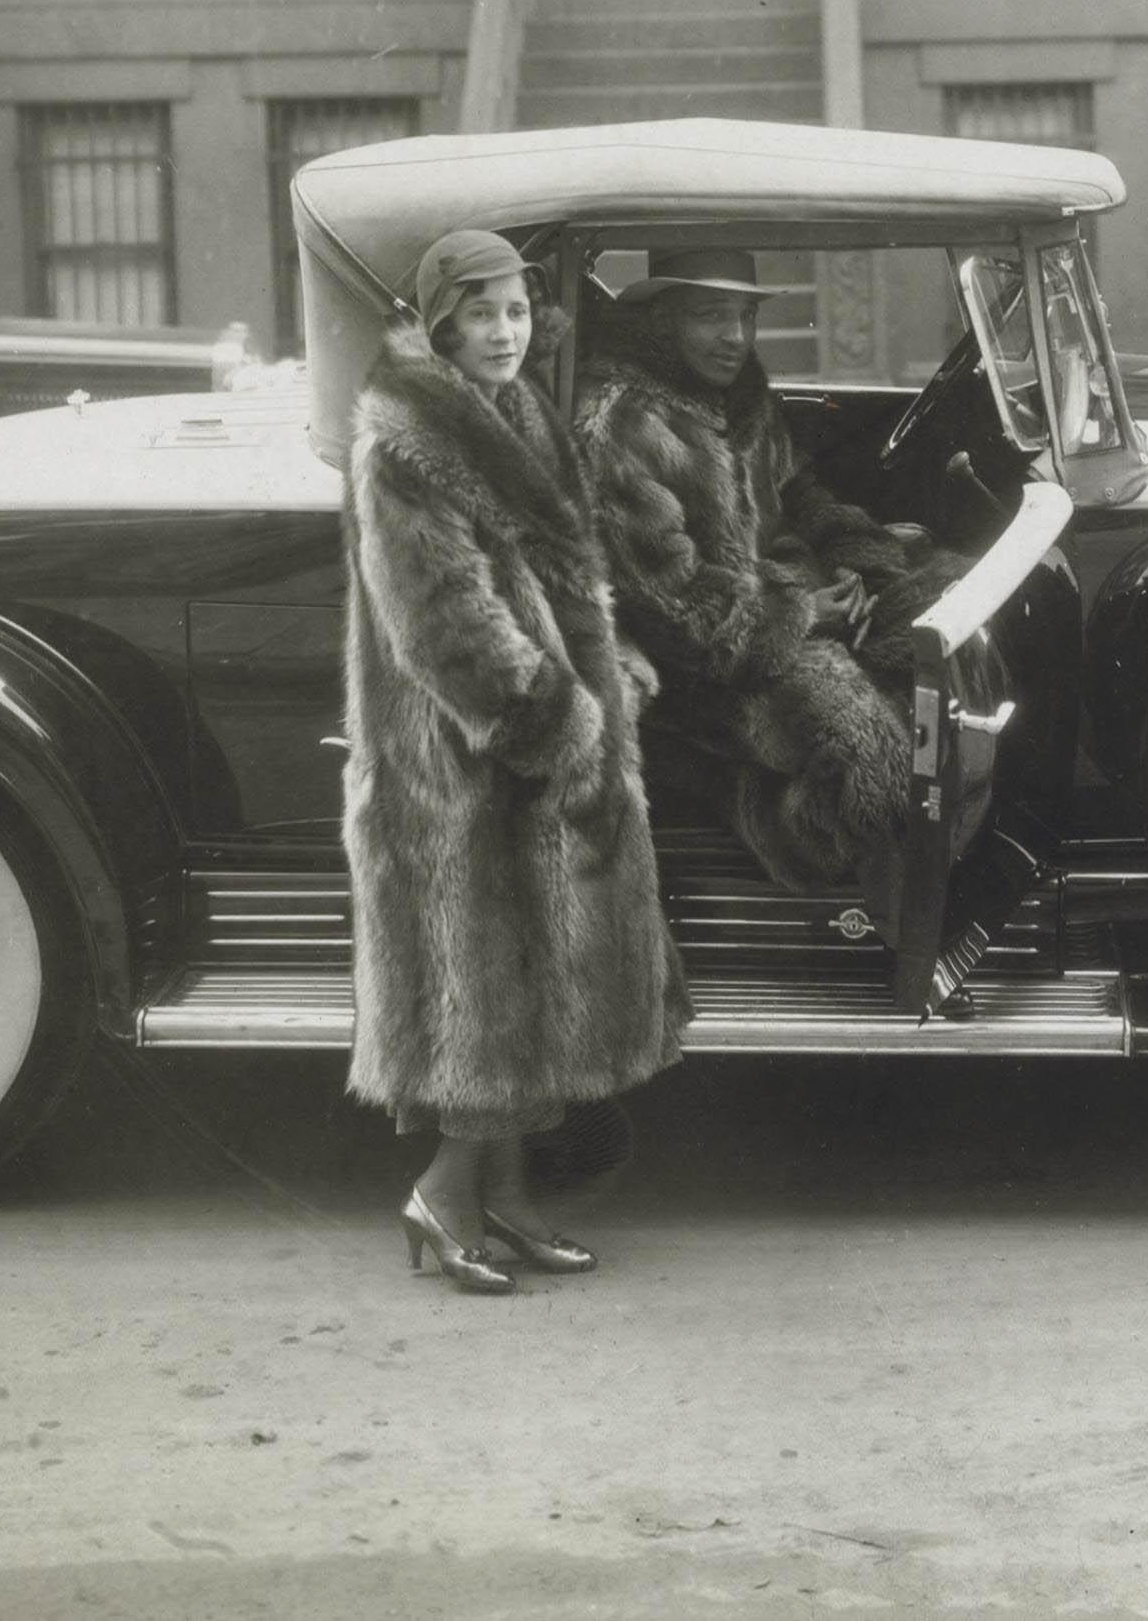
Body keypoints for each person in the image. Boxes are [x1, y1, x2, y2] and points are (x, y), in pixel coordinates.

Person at [340, 227, 686, 1295]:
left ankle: (508, 1197)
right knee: (479, 995)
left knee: (536, 991)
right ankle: (442, 1197)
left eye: (519, 310)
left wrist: (607, 653)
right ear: (439, 321)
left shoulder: (519, 409)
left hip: (537, 736)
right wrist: (563, 729)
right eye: (482, 311)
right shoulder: (405, 437)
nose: (504, 331)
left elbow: (557, 574)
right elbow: (446, 621)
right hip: (462, 759)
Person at [572, 246, 953, 903]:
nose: (735, 337)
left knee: (946, 618)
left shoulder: (740, 394)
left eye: (745, 315)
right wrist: (805, 611)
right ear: (664, 319)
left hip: (782, 609)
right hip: (699, 673)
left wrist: (863, 571)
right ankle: (784, 841)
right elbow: (673, 610)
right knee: (875, 756)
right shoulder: (622, 422)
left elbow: (801, 493)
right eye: (711, 315)